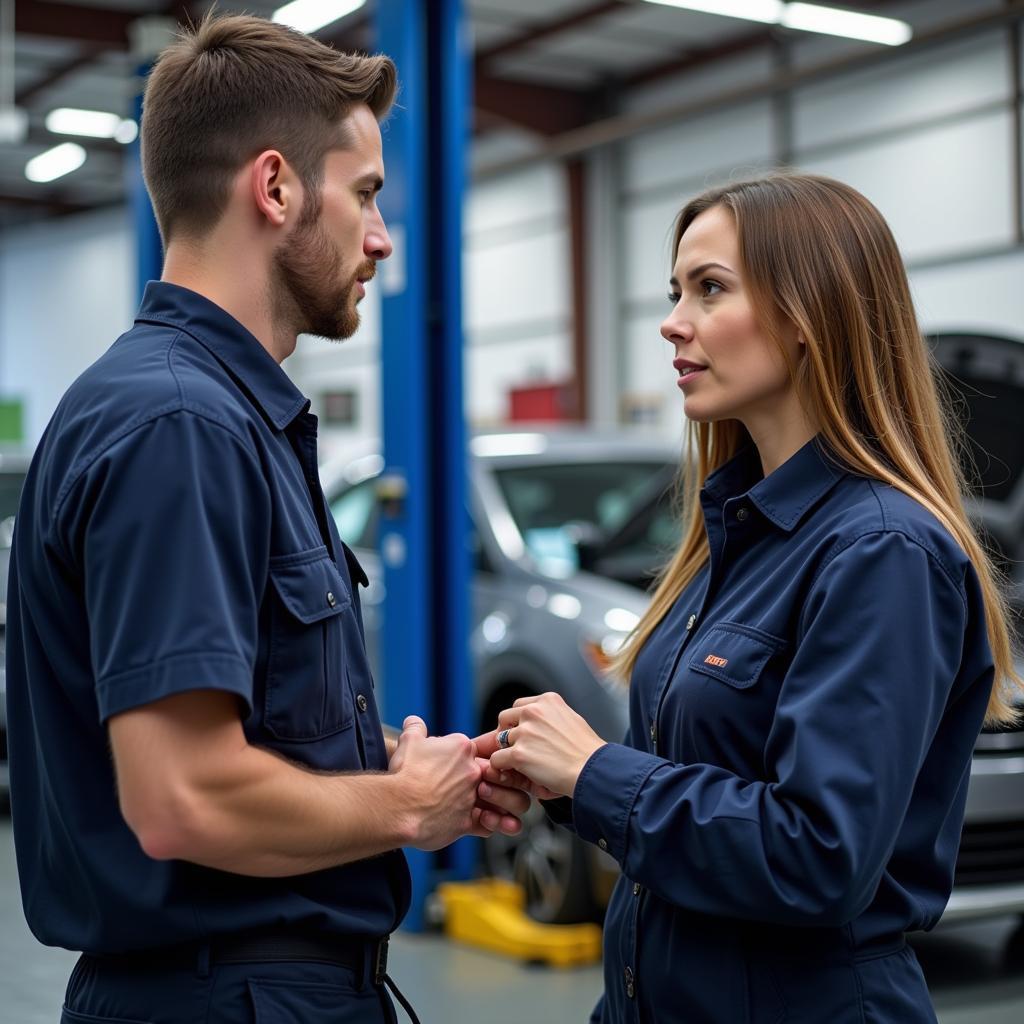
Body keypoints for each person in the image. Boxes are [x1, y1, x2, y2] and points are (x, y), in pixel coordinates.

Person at [5, 14, 528, 1024]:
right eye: (367, 195)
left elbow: (249, 722)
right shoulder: (177, 424)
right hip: (225, 994)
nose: (380, 238)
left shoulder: (222, 417)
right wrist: (405, 807)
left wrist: (404, 763)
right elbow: (182, 795)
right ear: (278, 186)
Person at [479, 173, 1024, 1023]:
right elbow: (697, 786)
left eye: (710, 289)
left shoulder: (881, 550)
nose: (671, 321)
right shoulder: (731, 535)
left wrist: (596, 773)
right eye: (675, 291)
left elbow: (819, 856)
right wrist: (558, 781)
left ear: (809, 314)